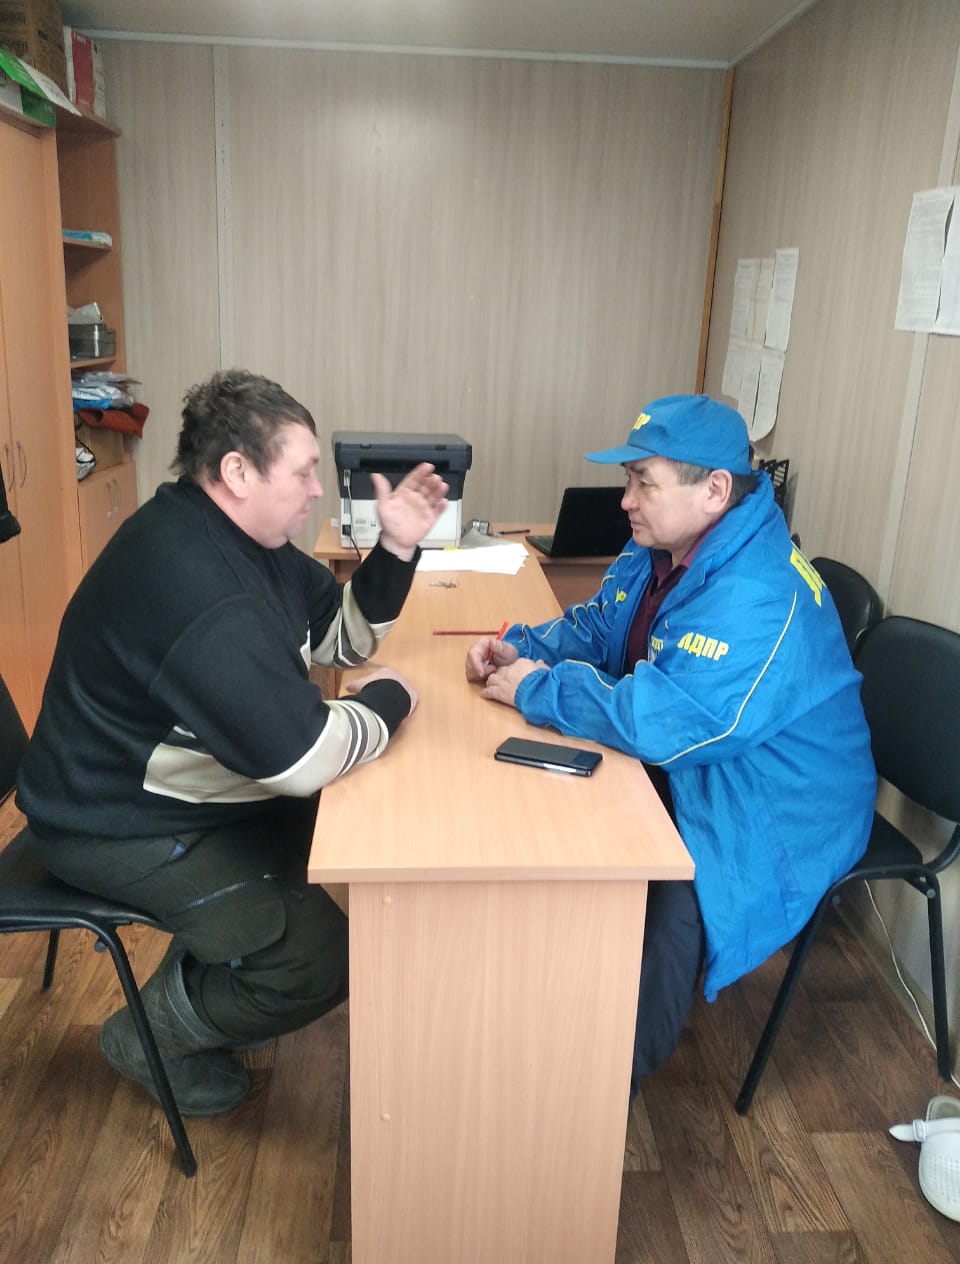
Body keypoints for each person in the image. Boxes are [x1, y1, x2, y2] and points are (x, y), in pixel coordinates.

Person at [17, 369, 448, 1115]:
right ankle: (144, 1038)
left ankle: (213, 961)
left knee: (355, 832)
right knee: (319, 962)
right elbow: (302, 758)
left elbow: (338, 638)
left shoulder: (249, 539)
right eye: (303, 471)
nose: (317, 489)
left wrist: (397, 547)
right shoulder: (194, 581)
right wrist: (390, 701)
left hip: (176, 787)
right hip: (109, 821)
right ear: (239, 472)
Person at [466, 394, 875, 1090]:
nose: (626, 500)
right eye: (628, 479)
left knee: (668, 896)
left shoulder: (758, 591)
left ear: (714, 490)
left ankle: (599, 1088)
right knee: (556, 804)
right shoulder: (659, 546)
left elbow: (675, 720)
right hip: (703, 758)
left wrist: (541, 689)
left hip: (777, 804)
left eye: (643, 482)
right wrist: (521, 648)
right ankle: (546, 991)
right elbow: (599, 628)